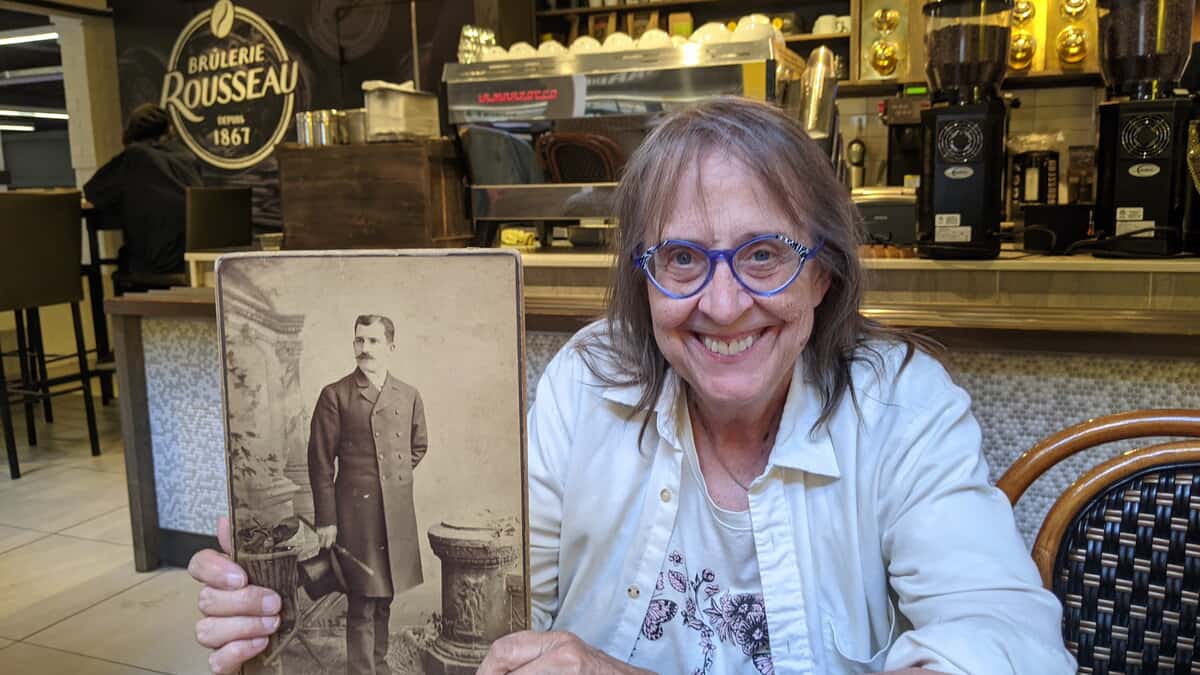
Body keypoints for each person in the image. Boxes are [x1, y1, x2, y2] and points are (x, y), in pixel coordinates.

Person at [188, 97, 1076, 674]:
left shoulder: (903, 407)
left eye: (765, 254)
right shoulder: (586, 383)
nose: (722, 304)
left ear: (822, 273)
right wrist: (279, 619)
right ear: (642, 280)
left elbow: (1004, 636)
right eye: (682, 258)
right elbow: (507, 605)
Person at [306, 314, 429, 675]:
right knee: (362, 599)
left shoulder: (408, 394)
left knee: (385, 594)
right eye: (359, 340)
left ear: (391, 346)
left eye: (373, 341)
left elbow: (418, 446)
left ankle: (379, 663)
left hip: (395, 513)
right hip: (355, 515)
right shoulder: (335, 395)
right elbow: (320, 461)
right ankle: (361, 671)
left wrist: (390, 481)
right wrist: (326, 519)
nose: (365, 348)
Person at [83, 103, 201, 278]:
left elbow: (93, 191)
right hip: (195, 258)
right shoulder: (186, 156)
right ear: (169, 129)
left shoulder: (134, 156)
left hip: (158, 262)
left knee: (125, 257)